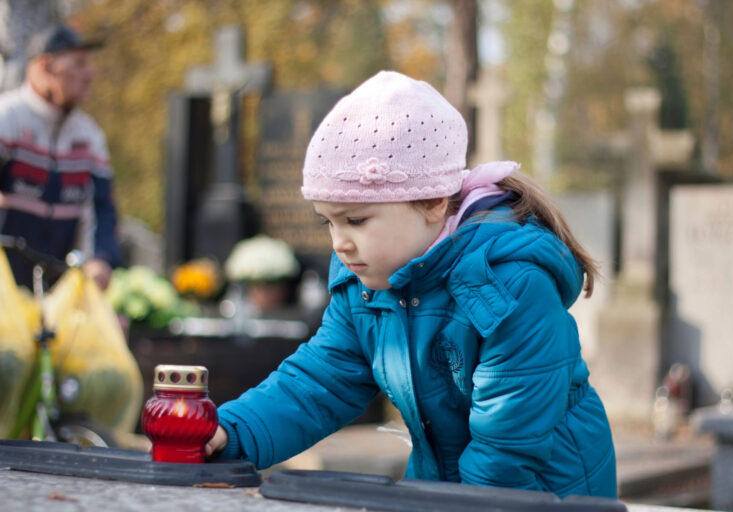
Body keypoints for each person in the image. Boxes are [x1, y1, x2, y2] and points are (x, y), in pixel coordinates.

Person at [206, 71, 617, 497]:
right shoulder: (364, 287)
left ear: (435, 203)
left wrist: (457, 506)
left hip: (544, 496)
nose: (339, 243)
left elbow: (508, 440)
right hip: (447, 492)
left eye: (356, 220)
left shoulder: (510, 284)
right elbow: (319, 383)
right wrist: (230, 433)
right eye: (328, 221)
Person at [0, 24, 120, 291]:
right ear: (45, 67)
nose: (90, 74)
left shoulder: (89, 136)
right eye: (78, 64)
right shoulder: (7, 119)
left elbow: (104, 210)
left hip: (57, 289)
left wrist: (101, 259)